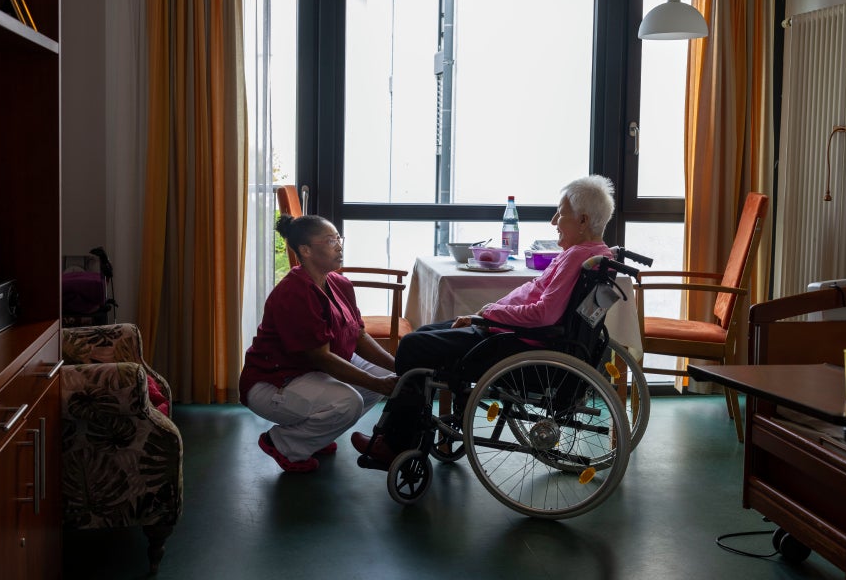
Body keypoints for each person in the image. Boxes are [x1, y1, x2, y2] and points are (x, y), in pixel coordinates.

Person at [352, 174, 616, 464]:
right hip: (516, 335)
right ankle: (407, 433)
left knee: (414, 346)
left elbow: (544, 314)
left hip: (516, 343)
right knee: (426, 333)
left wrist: (487, 314)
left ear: (583, 221)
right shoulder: (596, 255)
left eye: (561, 214)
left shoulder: (576, 257)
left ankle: (397, 443)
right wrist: (484, 315)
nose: (554, 221)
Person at [240, 213, 400, 473]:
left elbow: (358, 336)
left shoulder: (339, 283)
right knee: (350, 401)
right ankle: (283, 443)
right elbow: (321, 357)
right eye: (330, 240)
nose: (339, 245)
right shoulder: (294, 292)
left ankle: (315, 437)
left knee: (386, 374)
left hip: (311, 372)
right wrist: (376, 383)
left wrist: (398, 367)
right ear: (305, 250)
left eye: (338, 238)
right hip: (275, 380)